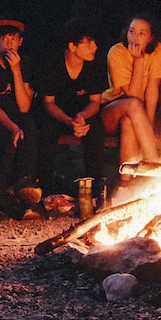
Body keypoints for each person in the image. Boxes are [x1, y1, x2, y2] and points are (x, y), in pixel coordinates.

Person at [37, 17, 109, 205]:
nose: (94, 47)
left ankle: (93, 190)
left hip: (81, 112)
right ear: (72, 46)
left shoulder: (95, 63)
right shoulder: (52, 62)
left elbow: (95, 101)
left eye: (94, 42)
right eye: (88, 43)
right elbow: (48, 103)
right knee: (47, 128)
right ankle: (47, 188)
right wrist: (68, 121)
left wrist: (82, 117)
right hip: (57, 113)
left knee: (96, 127)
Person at [0, 18, 38, 215]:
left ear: (20, 42)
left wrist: (16, 70)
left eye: (13, 39)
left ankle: (24, 182)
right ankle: (4, 193)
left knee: (28, 127)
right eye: (4, 39)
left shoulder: (26, 64)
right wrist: (12, 127)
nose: (9, 44)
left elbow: (24, 107)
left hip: (18, 114)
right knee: (5, 135)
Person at [100, 15, 161, 170]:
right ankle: (154, 161)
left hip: (136, 114)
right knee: (133, 105)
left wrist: (148, 124)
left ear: (151, 38)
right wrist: (139, 60)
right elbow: (133, 96)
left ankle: (126, 179)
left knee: (128, 122)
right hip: (110, 110)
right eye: (132, 31)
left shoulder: (157, 50)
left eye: (142, 33)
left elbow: (152, 90)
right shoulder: (117, 52)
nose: (135, 37)